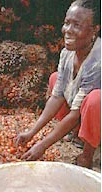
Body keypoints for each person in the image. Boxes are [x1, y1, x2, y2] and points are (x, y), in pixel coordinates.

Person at [16, 0, 101, 169]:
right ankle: (77, 134)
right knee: (55, 79)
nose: (68, 30)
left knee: (96, 100)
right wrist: (32, 132)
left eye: (77, 25)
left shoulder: (98, 61)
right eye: (67, 23)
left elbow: (75, 113)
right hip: (83, 110)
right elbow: (57, 96)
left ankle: (88, 153)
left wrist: (43, 145)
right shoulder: (67, 54)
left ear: (94, 30)